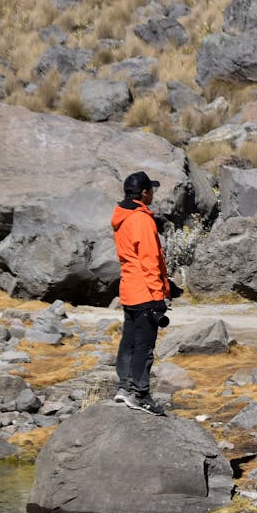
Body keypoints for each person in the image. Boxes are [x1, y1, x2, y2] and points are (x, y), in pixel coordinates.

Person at [111, 171, 170, 416]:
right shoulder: (141, 219)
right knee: (144, 347)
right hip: (145, 293)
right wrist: (159, 296)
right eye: (151, 190)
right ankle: (140, 394)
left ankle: (124, 387)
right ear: (144, 193)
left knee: (129, 342)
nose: (153, 194)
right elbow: (150, 260)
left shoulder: (121, 217)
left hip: (129, 290)